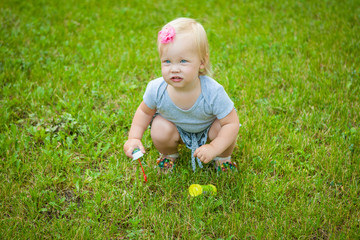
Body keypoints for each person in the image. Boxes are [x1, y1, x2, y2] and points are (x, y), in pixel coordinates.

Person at [123, 17, 240, 172]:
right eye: (167, 61)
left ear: (202, 62)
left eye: (183, 61)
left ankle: (223, 158)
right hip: (176, 129)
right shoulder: (157, 89)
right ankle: (168, 154)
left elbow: (231, 123)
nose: (174, 69)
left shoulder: (213, 92)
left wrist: (214, 147)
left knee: (222, 128)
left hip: (209, 128)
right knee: (159, 127)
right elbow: (144, 112)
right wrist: (134, 138)